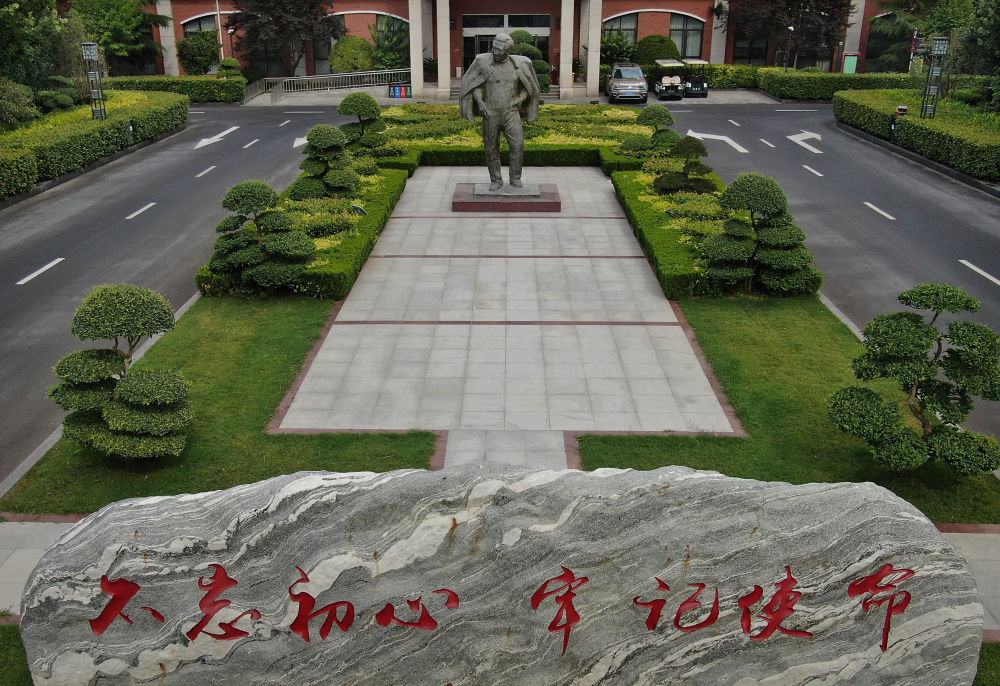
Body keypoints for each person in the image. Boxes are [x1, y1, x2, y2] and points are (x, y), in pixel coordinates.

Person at [459, 33, 542, 191]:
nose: (495, 52)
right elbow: (474, 84)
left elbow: (529, 87)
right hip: (490, 112)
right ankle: (496, 180)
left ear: (508, 51)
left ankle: (515, 178)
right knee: (491, 148)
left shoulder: (520, 65)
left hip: (511, 112)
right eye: (494, 48)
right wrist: (479, 102)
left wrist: (520, 99)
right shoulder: (483, 62)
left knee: (518, 145)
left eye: (499, 50)